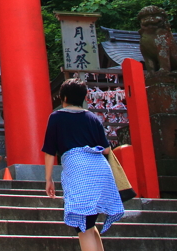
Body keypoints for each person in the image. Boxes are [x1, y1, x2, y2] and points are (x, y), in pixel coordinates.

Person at [43, 78, 124, 251]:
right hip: (101, 170)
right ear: (83, 97)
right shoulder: (92, 118)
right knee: (89, 223)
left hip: (79, 171)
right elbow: (107, 150)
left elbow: (50, 152)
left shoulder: (57, 117)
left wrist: (49, 179)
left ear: (63, 97)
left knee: (83, 226)